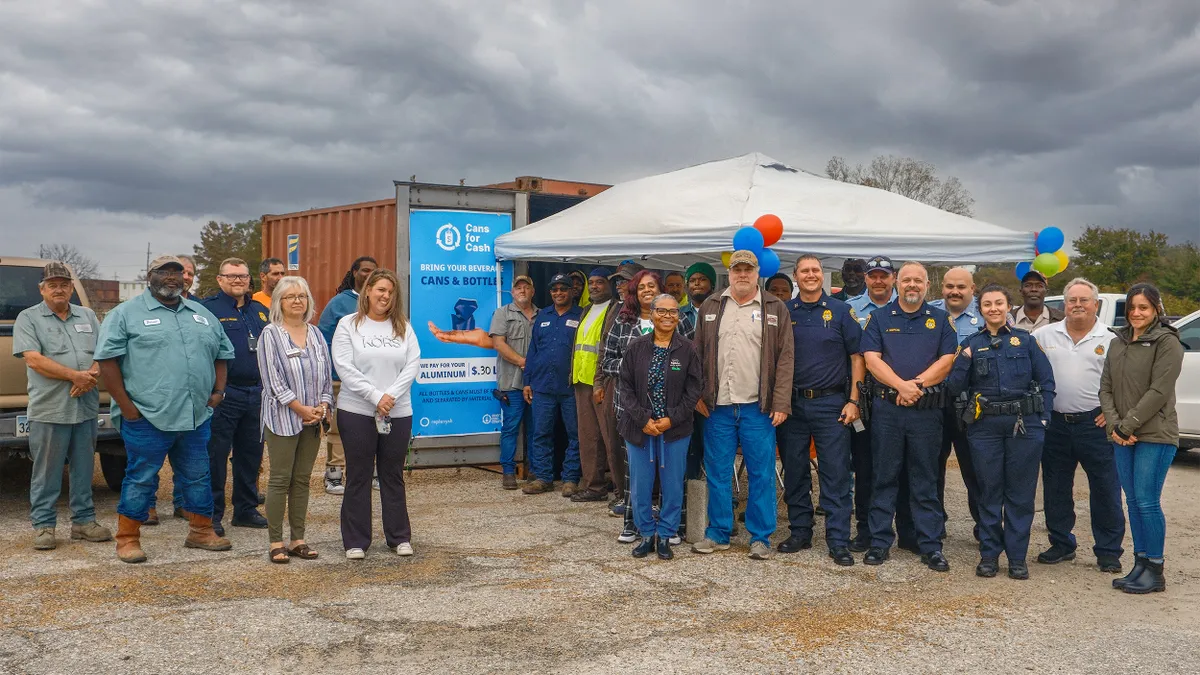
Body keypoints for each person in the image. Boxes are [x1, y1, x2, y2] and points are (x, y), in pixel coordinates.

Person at [95, 255, 234, 563]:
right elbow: (107, 361)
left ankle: (200, 531)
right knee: (141, 477)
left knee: (199, 476)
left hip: (195, 416)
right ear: (150, 276)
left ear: (187, 278)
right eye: (164, 271)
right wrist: (127, 407)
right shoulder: (125, 314)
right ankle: (128, 538)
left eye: (178, 272)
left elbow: (222, 353)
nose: (172, 277)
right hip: (146, 417)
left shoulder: (201, 314)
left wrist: (218, 392)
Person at [947, 284, 1055, 580]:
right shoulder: (971, 343)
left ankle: (1017, 558)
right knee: (989, 491)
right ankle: (989, 555)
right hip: (985, 428)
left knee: (1020, 494)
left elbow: (1046, 382)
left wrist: (1043, 421)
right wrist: (965, 358)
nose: (993, 308)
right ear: (980, 310)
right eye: (987, 304)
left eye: (999, 303)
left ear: (1009, 306)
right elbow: (954, 387)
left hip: (1024, 425)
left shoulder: (1026, 342)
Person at [691, 250, 794, 560]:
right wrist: (696, 393)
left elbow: (786, 358)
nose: (743, 274)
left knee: (761, 472)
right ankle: (718, 532)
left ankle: (760, 537)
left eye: (748, 269)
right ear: (730, 272)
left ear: (757, 272)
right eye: (737, 269)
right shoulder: (711, 305)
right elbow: (696, 354)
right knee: (718, 472)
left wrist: (781, 402)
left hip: (757, 407)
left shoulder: (775, 307)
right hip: (717, 405)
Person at [860, 261, 958, 571]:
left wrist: (913, 387)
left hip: (925, 413)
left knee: (925, 479)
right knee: (884, 477)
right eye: (906, 280)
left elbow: (947, 361)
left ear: (927, 285)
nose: (912, 285)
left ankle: (929, 545)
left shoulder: (941, 320)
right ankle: (878, 543)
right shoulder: (878, 318)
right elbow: (871, 359)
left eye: (918, 280)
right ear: (896, 283)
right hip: (887, 411)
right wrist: (900, 386)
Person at [12, 262, 112, 551]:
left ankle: (83, 522)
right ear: (42, 289)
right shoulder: (28, 318)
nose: (59, 289)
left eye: (64, 284)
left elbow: (104, 351)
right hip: (51, 409)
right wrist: (74, 376)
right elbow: (34, 359)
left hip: (86, 407)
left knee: (83, 469)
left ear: (71, 288)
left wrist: (90, 376)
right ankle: (44, 526)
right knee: (47, 471)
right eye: (52, 285)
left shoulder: (88, 315)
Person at [1032, 278, 1127, 574]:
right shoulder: (1043, 335)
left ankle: (1109, 551)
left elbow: (1125, 383)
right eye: (1072, 300)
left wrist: (1112, 413)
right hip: (1055, 424)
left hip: (1094, 425)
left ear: (1095, 305)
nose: (1077, 305)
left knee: (1106, 489)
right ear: (1064, 305)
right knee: (1056, 487)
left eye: (1084, 300)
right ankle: (1062, 543)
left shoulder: (1111, 339)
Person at [777, 254, 864, 566]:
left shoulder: (841, 311)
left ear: (822, 276)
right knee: (796, 471)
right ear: (796, 276)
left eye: (815, 270)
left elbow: (857, 357)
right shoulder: (785, 311)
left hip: (832, 404)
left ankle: (838, 538)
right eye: (804, 271)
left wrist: (854, 400)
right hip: (792, 405)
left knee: (835, 473)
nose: (811, 275)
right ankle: (800, 531)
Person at [1099, 283, 1184, 594]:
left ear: (1156, 309)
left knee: (1147, 501)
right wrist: (1115, 426)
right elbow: (1105, 387)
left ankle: (1156, 570)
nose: (1136, 313)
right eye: (1132, 307)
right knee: (1132, 502)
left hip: (1155, 434)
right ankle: (1140, 563)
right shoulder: (1117, 342)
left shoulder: (1167, 342)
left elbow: (1159, 391)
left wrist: (1128, 425)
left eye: (1143, 308)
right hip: (1123, 434)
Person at [331, 269, 419, 559]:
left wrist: (390, 396)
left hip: (398, 410)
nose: (385, 296)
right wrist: (375, 396)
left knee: (392, 475)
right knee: (359, 474)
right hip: (356, 410)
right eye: (380, 289)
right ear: (367, 291)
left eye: (391, 292)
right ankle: (356, 541)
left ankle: (399, 537)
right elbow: (344, 366)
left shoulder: (403, 326)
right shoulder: (348, 325)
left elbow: (412, 364)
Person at [618, 294, 703, 560]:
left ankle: (665, 535)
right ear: (652, 313)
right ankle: (645, 534)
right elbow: (625, 387)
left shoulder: (688, 349)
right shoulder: (636, 347)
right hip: (640, 428)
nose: (668, 316)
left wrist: (671, 418)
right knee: (641, 485)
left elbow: (694, 390)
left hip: (675, 429)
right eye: (662, 311)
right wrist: (643, 419)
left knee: (673, 484)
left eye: (673, 312)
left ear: (679, 316)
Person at [257, 276, 333, 564]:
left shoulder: (315, 334)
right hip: (283, 418)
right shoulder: (271, 334)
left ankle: (297, 539)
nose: (297, 300)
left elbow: (326, 376)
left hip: (313, 419)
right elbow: (272, 381)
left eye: (302, 295)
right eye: (290, 296)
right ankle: (276, 541)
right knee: (280, 479)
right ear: (279, 302)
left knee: (301, 481)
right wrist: (301, 408)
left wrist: (323, 405)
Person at [198, 258, 270, 536]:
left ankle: (245, 510)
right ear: (220, 280)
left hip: (257, 392)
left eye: (242, 276)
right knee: (215, 457)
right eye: (231, 276)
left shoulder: (260, 311)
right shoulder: (207, 310)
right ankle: (212, 515)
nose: (238, 280)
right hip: (225, 394)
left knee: (250, 455)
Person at [601, 270, 672, 541]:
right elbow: (607, 362)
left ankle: (668, 524)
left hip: (668, 411)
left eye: (651, 286)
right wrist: (636, 368)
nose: (646, 290)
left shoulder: (675, 319)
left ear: (660, 290)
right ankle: (632, 524)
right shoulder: (622, 321)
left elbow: (690, 357)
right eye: (641, 287)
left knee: (668, 469)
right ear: (634, 292)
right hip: (631, 410)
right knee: (635, 471)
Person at [845, 255, 896, 550]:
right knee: (864, 469)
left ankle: (908, 529)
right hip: (864, 402)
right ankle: (866, 530)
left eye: (884, 275)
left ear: (894, 278)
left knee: (901, 469)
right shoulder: (850, 311)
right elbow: (851, 358)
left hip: (900, 399)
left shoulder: (908, 308)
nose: (878, 280)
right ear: (866, 279)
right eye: (873, 275)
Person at [930, 267, 983, 540]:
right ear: (942, 289)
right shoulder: (929, 313)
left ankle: (983, 525)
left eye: (961, 287)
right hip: (934, 402)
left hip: (971, 406)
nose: (954, 291)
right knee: (931, 467)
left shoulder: (987, 315)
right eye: (950, 286)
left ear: (972, 289)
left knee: (974, 468)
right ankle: (934, 523)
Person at [317, 255, 377, 494]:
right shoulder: (339, 304)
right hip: (341, 379)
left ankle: (368, 473)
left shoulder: (380, 301)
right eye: (364, 270)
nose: (369, 274)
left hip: (373, 379)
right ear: (354, 272)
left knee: (372, 427)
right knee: (339, 429)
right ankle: (334, 475)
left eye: (374, 270)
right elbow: (323, 340)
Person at [521, 274, 583, 496]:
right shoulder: (543, 316)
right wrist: (527, 382)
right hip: (542, 386)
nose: (559, 293)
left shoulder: (581, 315)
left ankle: (570, 479)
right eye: (554, 289)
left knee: (574, 434)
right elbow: (533, 350)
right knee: (541, 433)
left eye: (563, 289)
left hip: (570, 387)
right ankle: (543, 478)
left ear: (571, 292)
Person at [570, 269, 616, 502]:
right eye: (592, 283)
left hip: (604, 382)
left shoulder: (615, 309)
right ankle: (594, 486)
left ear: (610, 285)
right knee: (588, 437)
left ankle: (620, 490)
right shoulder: (586, 310)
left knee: (610, 437)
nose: (595, 287)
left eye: (600, 282)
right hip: (582, 381)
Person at [489, 275, 538, 489]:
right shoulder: (502, 314)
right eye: (518, 288)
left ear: (532, 291)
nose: (522, 290)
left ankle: (536, 471)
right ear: (512, 292)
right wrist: (522, 362)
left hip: (538, 384)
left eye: (526, 287)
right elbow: (498, 344)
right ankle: (508, 471)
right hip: (512, 383)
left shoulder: (543, 315)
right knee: (510, 428)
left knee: (537, 429)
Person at [680, 262, 716, 330]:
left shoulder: (721, 311)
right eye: (692, 280)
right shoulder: (679, 313)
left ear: (712, 284)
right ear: (687, 286)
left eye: (702, 279)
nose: (696, 283)